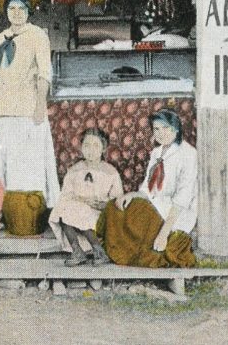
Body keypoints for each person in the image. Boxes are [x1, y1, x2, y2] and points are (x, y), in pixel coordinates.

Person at [0, 0, 59, 235]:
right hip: (3, 112)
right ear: (6, 11)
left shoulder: (38, 35)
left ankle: (33, 219)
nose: (16, 13)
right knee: (3, 164)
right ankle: (4, 215)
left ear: (28, 11)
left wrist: (39, 105)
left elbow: (44, 73)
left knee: (30, 164)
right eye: (12, 8)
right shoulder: (1, 37)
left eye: (21, 9)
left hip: (28, 111)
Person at [100, 109, 198, 268]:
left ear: (176, 128)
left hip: (175, 213)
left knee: (137, 213)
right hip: (154, 204)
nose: (161, 133)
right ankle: (122, 254)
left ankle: (145, 253)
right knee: (115, 206)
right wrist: (131, 195)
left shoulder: (188, 154)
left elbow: (182, 199)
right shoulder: (156, 152)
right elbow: (147, 188)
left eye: (166, 128)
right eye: (156, 129)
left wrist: (163, 234)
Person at [48, 128, 122, 267]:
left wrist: (103, 204)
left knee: (84, 211)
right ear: (81, 148)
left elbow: (117, 199)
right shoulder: (75, 170)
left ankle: (99, 250)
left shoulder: (110, 172)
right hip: (76, 210)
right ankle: (77, 251)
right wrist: (82, 200)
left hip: (99, 213)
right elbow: (66, 195)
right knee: (63, 209)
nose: (91, 150)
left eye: (95, 146)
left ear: (103, 148)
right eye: (87, 145)